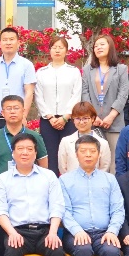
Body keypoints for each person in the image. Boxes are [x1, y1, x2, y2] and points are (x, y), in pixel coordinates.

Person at [60, 135, 125, 256]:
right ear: (76, 154)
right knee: (83, 250)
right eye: (83, 151)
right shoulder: (65, 180)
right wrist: (77, 231)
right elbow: (64, 211)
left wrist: (112, 231)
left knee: (112, 251)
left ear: (99, 154)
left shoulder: (110, 180)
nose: (88, 155)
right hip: (76, 233)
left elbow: (118, 209)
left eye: (92, 151)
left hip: (104, 232)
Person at [36, 36, 83, 172]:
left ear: (66, 51)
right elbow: (38, 96)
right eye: (54, 47)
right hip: (48, 121)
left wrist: (65, 117)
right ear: (49, 50)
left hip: (68, 120)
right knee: (50, 156)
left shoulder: (73, 72)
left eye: (61, 48)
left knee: (70, 155)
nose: (57, 50)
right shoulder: (41, 73)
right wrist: (50, 116)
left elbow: (76, 95)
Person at [82, 35, 129, 154]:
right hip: (93, 122)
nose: (98, 47)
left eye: (102, 44)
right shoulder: (87, 70)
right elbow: (84, 93)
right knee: (93, 157)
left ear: (110, 47)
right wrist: (93, 116)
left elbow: (123, 94)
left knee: (115, 158)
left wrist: (111, 116)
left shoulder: (121, 69)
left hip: (115, 122)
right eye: (96, 46)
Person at [0, 27, 36, 135]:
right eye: (5, 40)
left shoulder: (26, 65)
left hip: (17, 118)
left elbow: (29, 92)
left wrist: (24, 116)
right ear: (0, 43)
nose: (8, 43)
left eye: (11, 39)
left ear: (18, 43)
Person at [60, 101, 113, 175]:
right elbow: (63, 168)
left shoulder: (103, 143)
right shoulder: (65, 141)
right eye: (77, 118)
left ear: (93, 118)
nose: (81, 122)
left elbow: (104, 168)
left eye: (85, 118)